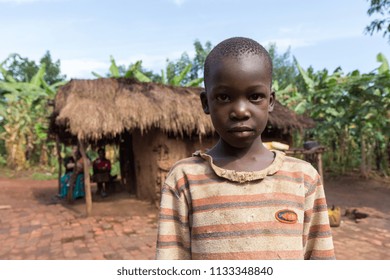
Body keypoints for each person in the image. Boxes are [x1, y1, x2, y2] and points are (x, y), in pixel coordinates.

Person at [156, 37, 335, 260]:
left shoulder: (303, 178)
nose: (240, 111)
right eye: (224, 97)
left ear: (270, 101)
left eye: (254, 97)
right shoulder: (185, 178)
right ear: (206, 103)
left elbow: (320, 259)